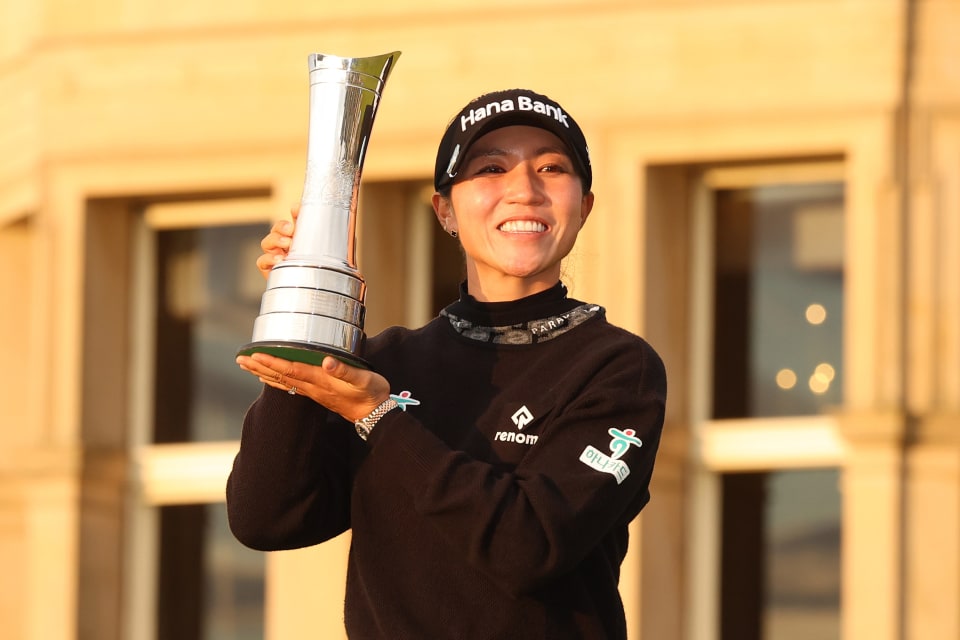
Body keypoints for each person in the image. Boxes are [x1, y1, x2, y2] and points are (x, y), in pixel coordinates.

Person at [227, 88, 667, 639]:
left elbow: (528, 546)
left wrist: (378, 416)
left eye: (551, 168)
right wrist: (306, 319)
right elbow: (267, 519)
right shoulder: (389, 362)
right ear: (445, 211)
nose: (524, 190)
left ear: (584, 206)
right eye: (491, 169)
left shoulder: (617, 368)